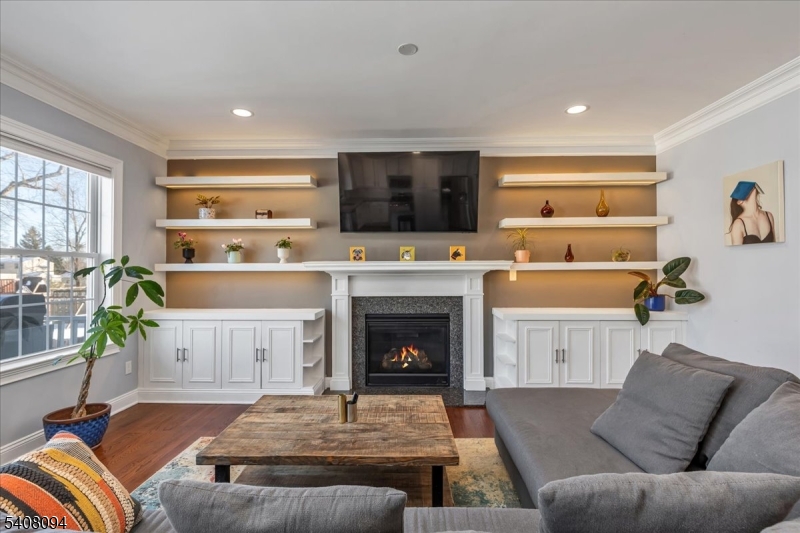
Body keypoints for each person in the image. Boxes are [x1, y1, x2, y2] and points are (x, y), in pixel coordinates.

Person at [728, 181, 775, 245]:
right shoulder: (738, 224)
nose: (752, 188)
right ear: (739, 201)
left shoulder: (769, 216)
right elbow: (737, 253)